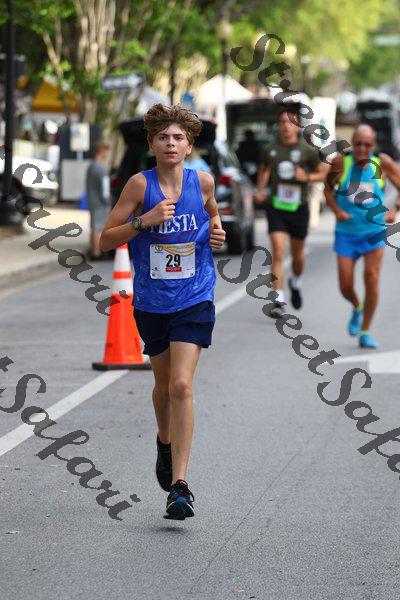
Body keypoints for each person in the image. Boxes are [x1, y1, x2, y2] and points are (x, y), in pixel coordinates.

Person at [99, 104, 226, 520]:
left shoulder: (203, 182)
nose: (170, 144)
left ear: (189, 146)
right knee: (162, 385)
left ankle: (180, 486)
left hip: (195, 296)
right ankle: (164, 442)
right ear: (152, 144)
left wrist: (217, 233)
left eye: (178, 138)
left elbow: (213, 216)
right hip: (153, 301)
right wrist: (144, 221)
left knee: (181, 386)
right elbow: (104, 240)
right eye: (163, 137)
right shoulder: (140, 185)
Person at [324, 124, 400, 348]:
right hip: (346, 234)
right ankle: (357, 306)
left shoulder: (382, 163)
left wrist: (395, 210)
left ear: (373, 145)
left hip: (373, 232)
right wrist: (337, 211)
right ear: (353, 143)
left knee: (372, 278)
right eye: (358, 143)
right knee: (345, 285)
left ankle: (365, 331)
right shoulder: (341, 162)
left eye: (367, 145)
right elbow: (327, 189)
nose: (362, 149)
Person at [256, 107, 325, 317]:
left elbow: (322, 173)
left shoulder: (307, 150)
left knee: (297, 256)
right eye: (282, 122)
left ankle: (295, 281)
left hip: (298, 207)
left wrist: (307, 177)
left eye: (290, 122)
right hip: (276, 206)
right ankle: (278, 300)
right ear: (278, 126)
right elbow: (264, 170)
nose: (286, 126)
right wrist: (261, 190)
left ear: (297, 126)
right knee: (278, 252)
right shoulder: (270, 149)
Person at [86, 140, 111, 260]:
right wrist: (108, 201)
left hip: (92, 201)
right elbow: (105, 188)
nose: (107, 153)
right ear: (102, 151)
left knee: (94, 227)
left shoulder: (91, 166)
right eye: (106, 150)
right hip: (100, 203)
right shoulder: (101, 168)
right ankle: (97, 253)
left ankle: (93, 251)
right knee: (99, 228)